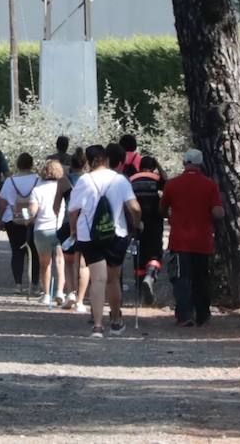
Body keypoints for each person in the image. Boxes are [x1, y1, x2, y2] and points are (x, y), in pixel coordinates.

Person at [67, 144, 142, 338]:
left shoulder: (84, 180)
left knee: (98, 279)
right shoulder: (120, 180)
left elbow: (73, 210)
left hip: (89, 236)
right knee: (113, 279)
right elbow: (134, 207)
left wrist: (73, 231)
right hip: (116, 234)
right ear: (106, 159)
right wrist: (136, 225)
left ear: (89, 160)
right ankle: (116, 321)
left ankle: (98, 326)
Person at [162, 147, 224, 328]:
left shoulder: (172, 184)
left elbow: (162, 208)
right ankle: (203, 314)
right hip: (203, 240)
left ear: (184, 163)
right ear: (200, 164)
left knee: (182, 278)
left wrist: (168, 216)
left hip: (180, 240)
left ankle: (184, 315)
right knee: (201, 278)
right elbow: (218, 212)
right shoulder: (210, 185)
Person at [0, 153, 41, 294]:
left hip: (13, 218)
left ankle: (18, 284)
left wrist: (0, 219)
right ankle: (34, 284)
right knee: (34, 252)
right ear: (31, 164)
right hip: (32, 219)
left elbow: (2, 202)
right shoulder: (38, 180)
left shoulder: (10, 181)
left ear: (18, 164)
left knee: (17, 252)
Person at [56, 147, 90, 311]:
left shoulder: (64, 181)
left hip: (67, 223)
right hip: (85, 223)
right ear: (85, 165)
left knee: (68, 262)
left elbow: (56, 206)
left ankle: (70, 292)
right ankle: (81, 301)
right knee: (83, 264)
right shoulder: (90, 180)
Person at [130, 155, 166, 302]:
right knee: (155, 253)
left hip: (137, 222)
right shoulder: (157, 179)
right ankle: (150, 276)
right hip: (155, 221)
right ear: (153, 166)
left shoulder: (132, 179)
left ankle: (139, 290)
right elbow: (168, 182)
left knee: (138, 254)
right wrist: (159, 166)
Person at [29, 158, 66, 305]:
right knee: (60, 261)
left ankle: (46, 294)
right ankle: (60, 292)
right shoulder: (63, 188)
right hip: (59, 228)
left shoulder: (37, 190)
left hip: (42, 229)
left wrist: (25, 217)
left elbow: (32, 212)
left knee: (45, 263)